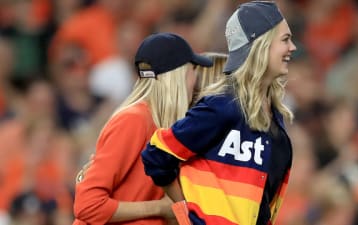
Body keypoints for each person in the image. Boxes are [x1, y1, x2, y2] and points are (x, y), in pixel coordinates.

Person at [141, 1, 297, 225]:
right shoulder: (224, 105)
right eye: (285, 40)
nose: (292, 47)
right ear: (261, 45)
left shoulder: (274, 115)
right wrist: (189, 215)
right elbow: (157, 154)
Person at [72, 32, 213, 225]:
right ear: (175, 76)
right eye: (191, 70)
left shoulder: (164, 124)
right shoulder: (135, 120)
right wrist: (159, 208)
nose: (195, 80)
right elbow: (88, 205)